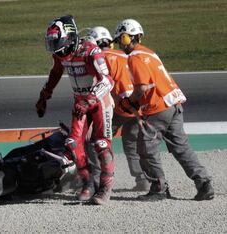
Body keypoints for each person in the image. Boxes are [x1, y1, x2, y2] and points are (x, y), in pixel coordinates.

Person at [114, 19, 214, 200]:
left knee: (145, 147)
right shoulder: (149, 53)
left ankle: (158, 188)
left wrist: (129, 102)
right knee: (181, 148)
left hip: (158, 108)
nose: (120, 44)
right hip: (174, 104)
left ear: (127, 38)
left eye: (121, 39)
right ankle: (204, 183)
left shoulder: (135, 57)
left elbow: (142, 88)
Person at [36, 15, 115, 205]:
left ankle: (105, 187)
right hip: (80, 102)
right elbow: (55, 73)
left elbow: (108, 80)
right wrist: (44, 96)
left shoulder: (90, 51)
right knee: (72, 142)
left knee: (102, 145)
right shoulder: (60, 54)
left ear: (68, 37)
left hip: (100, 101)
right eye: (52, 42)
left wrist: (90, 99)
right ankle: (87, 183)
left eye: (57, 41)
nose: (54, 47)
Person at [85, 26, 150, 191]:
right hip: (137, 106)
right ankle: (143, 180)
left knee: (94, 141)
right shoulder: (127, 55)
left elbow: (99, 88)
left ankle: (97, 180)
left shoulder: (98, 58)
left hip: (119, 107)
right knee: (131, 143)